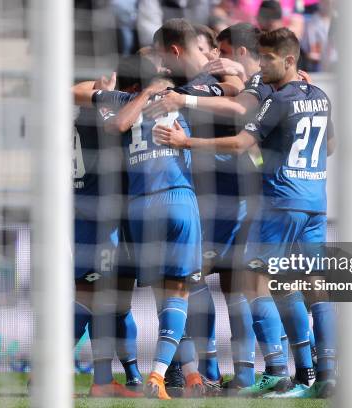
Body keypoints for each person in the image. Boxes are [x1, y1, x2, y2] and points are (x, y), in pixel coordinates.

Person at [154, 27, 337, 399]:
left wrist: (185, 139)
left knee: (252, 284)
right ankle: (321, 373)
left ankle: (276, 372)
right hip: (315, 199)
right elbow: (330, 145)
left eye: (267, 57)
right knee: (312, 286)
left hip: (280, 200)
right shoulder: (318, 94)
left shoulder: (274, 97)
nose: (262, 63)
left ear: (284, 59)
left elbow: (241, 137)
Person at [80, 55, 205, 400]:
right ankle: (159, 374)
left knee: (148, 294)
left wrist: (115, 92)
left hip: (137, 207)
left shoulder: (121, 101)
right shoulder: (182, 96)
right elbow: (235, 101)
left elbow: (109, 120)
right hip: (178, 196)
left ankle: (189, 374)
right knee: (178, 292)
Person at [70, 74, 143, 397]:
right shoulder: (99, 117)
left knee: (98, 298)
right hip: (100, 218)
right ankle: (100, 380)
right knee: (95, 299)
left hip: (86, 215)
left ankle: (123, 376)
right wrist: (109, 92)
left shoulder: (69, 116)